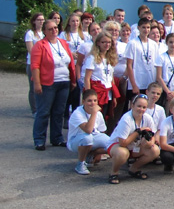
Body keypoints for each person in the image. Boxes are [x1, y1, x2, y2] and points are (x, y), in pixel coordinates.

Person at [31, 20, 76, 150]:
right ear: (44, 31)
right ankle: (39, 139)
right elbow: (35, 66)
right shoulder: (40, 45)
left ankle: (57, 138)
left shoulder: (63, 43)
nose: (54, 30)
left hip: (64, 82)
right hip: (47, 83)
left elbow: (70, 62)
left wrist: (72, 80)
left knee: (59, 112)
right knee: (44, 112)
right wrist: (37, 83)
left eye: (55, 28)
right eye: (50, 29)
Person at [106, 94, 161, 183]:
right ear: (132, 105)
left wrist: (149, 143)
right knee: (122, 153)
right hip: (118, 146)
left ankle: (134, 169)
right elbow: (122, 143)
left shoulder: (148, 118)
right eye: (139, 106)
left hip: (135, 146)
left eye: (144, 107)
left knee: (155, 150)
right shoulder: (126, 119)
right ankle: (114, 172)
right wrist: (138, 132)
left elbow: (153, 136)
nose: (141, 109)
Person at [67, 89, 110, 175]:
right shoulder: (77, 113)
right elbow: (88, 130)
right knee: (87, 138)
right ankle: (80, 164)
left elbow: (102, 131)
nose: (93, 103)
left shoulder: (98, 114)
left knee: (111, 144)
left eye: (95, 100)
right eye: (89, 101)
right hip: (76, 140)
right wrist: (94, 113)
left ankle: (91, 154)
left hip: (93, 137)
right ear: (83, 102)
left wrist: (99, 153)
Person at [82, 32, 119, 118]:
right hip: (97, 91)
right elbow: (87, 78)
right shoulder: (92, 58)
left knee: (105, 117)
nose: (107, 44)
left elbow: (111, 77)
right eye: (104, 42)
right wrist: (89, 95)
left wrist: (114, 95)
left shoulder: (110, 58)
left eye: (109, 42)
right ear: (98, 43)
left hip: (108, 91)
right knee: (95, 116)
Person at [125, 17, 159, 100]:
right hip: (137, 82)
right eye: (143, 27)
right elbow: (129, 65)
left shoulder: (153, 44)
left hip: (150, 82)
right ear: (138, 28)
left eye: (148, 27)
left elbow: (156, 64)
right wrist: (133, 85)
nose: (146, 30)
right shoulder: (132, 43)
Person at [155, 33, 174, 106]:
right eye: (171, 42)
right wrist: (168, 92)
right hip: (165, 90)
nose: (173, 44)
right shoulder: (161, 57)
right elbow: (159, 77)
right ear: (166, 43)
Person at [24, 12, 46, 116]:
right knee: (33, 86)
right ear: (34, 21)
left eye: (42, 20)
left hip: (44, 64)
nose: (41, 22)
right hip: (33, 63)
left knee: (43, 86)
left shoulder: (44, 33)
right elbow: (31, 50)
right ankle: (35, 110)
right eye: (39, 20)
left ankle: (42, 107)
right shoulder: (30, 33)